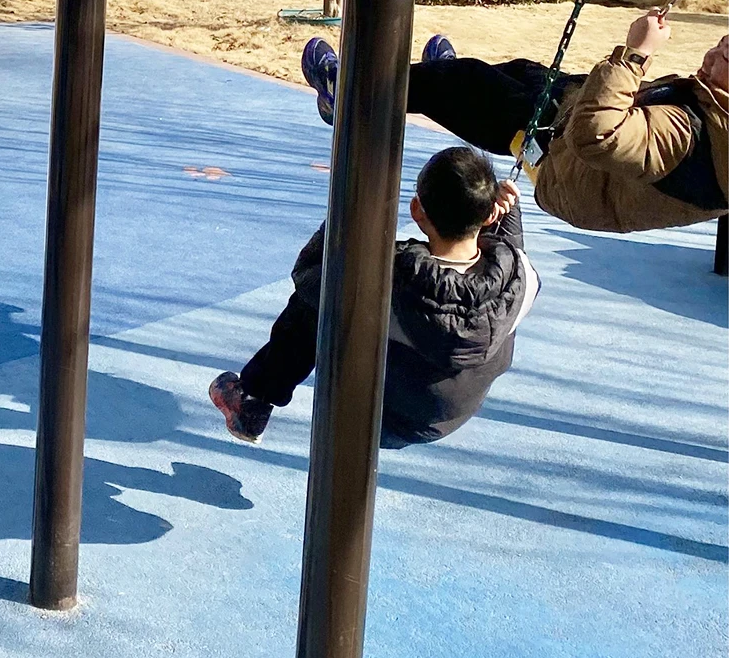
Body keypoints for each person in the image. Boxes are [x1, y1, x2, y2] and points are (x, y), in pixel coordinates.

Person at [210, 146, 539, 448]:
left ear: (417, 211)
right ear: (490, 216)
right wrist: (509, 217)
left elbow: (309, 275)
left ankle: (254, 400)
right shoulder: (522, 272)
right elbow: (506, 257)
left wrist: (347, 212)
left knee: (318, 301)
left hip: (380, 417)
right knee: (486, 301)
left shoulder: (391, 283)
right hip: (448, 413)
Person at [301, 14, 729, 234]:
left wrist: (634, 54)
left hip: (568, 169)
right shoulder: (715, 109)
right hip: (578, 130)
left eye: (723, 57)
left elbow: (598, 134)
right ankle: (443, 89)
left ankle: (348, 95)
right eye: (720, 43)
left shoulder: (689, 137)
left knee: (476, 87)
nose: (711, 53)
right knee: (523, 72)